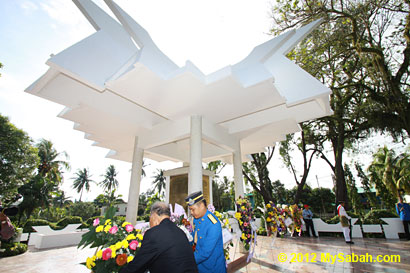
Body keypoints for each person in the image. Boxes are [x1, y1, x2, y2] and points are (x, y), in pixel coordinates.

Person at [119, 202, 198, 273]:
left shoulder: (153, 233)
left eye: (149, 218)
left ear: (154, 215)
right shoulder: (180, 232)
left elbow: (137, 265)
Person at [185, 191, 226, 273]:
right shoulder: (198, 219)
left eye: (193, 210)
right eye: (190, 210)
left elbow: (204, 253)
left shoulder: (213, 224)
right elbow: (195, 237)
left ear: (202, 206)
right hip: (200, 267)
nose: (192, 213)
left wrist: (185, 262)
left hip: (212, 268)